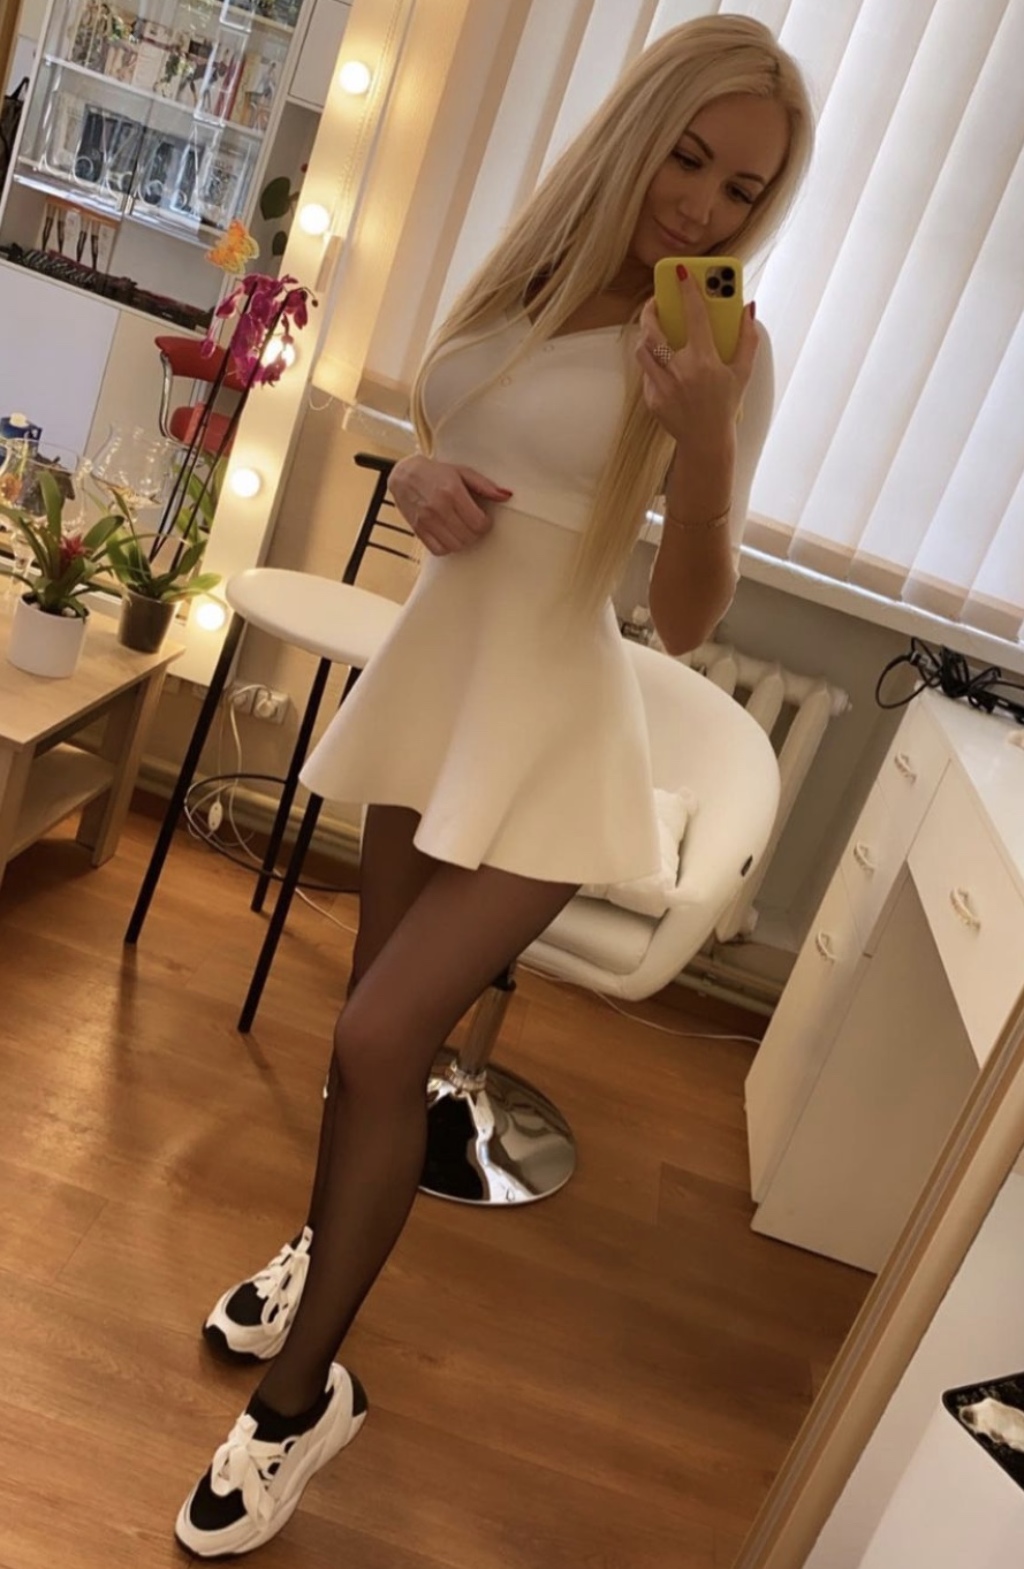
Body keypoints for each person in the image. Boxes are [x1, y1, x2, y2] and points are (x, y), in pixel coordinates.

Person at [175, 14, 814, 1556]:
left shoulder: (719, 351)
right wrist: (414, 474)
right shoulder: (532, 266)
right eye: (687, 160)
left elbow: (687, 618)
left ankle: (303, 1402)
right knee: (369, 1043)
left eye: (742, 190)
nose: (704, 207)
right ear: (637, 131)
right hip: (437, 685)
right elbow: (449, 428)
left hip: (554, 727)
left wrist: (707, 445)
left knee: (380, 1033)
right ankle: (320, 1253)